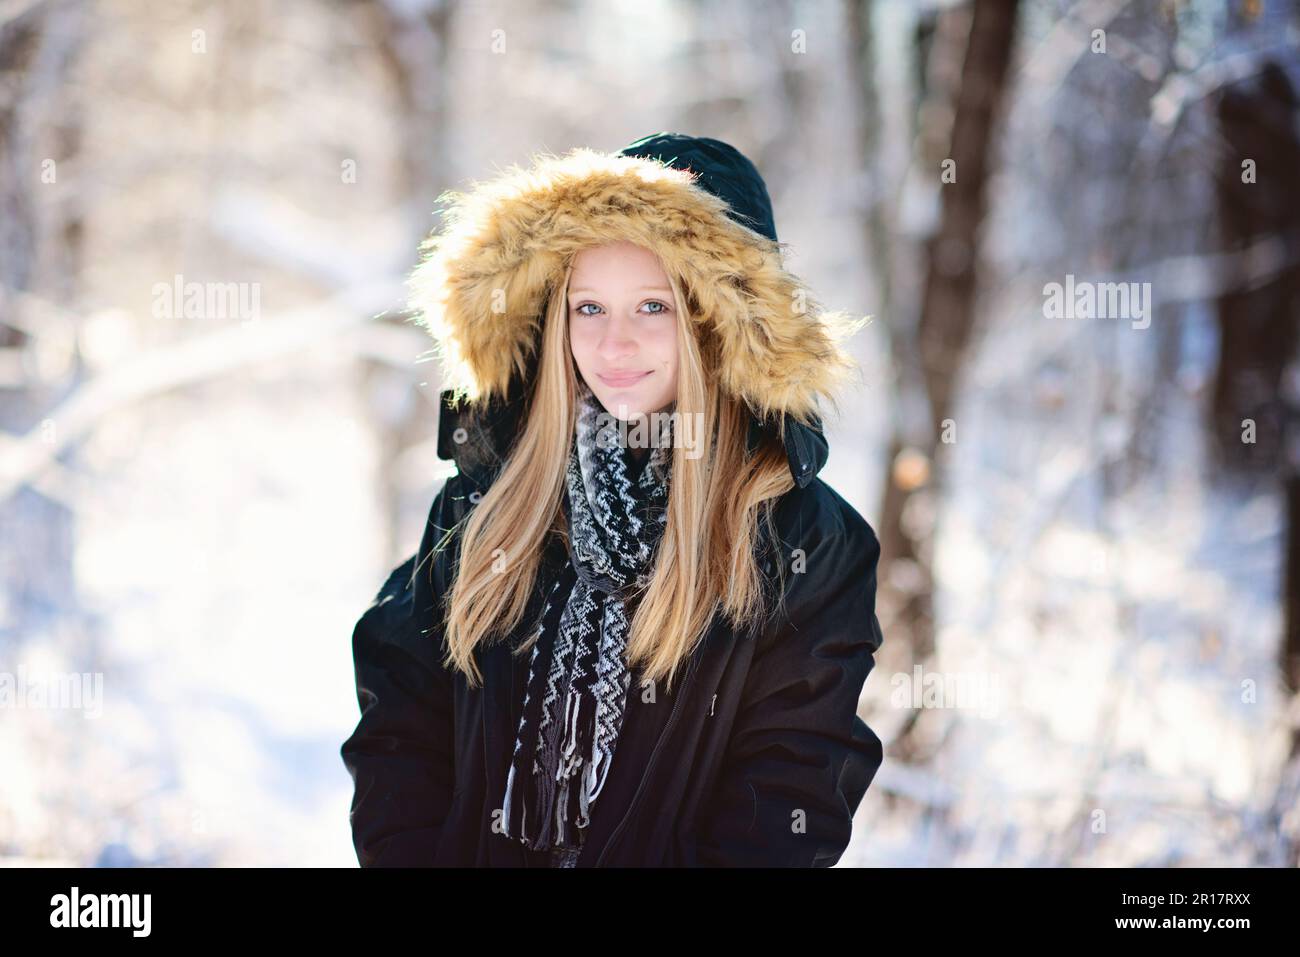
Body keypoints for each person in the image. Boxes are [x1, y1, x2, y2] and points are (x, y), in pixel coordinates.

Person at [341, 132, 885, 867]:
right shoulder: (492, 500)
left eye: (652, 307)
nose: (614, 345)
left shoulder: (805, 544)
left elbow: (792, 795)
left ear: (714, 324)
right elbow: (401, 710)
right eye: (589, 308)